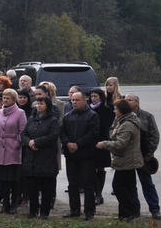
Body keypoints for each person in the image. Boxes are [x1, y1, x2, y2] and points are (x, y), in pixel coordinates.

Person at [99, 98, 143, 221]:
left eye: (116, 109)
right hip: (125, 160)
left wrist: (104, 144)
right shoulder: (123, 120)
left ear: (122, 110)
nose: (114, 111)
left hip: (126, 160)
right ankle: (124, 214)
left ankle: (130, 212)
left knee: (118, 186)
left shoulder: (127, 124)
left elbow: (120, 144)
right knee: (127, 187)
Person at [20, 92, 61, 219]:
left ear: (47, 105)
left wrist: (36, 142)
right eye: (37, 103)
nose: (38, 105)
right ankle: (33, 211)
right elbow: (24, 133)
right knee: (32, 186)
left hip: (46, 158)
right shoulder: (32, 118)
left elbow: (53, 136)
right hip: (31, 157)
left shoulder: (53, 120)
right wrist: (29, 142)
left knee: (46, 187)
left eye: (41, 103)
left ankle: (44, 212)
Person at [61, 90, 99, 219]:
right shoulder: (67, 116)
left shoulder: (92, 115)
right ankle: (74, 210)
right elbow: (62, 132)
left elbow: (93, 133)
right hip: (70, 155)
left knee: (88, 184)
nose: (74, 102)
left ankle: (89, 212)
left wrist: (77, 144)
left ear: (84, 101)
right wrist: (67, 143)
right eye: (73, 100)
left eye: (77, 100)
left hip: (86, 155)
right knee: (72, 184)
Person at [0, 89, 26, 214]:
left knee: (13, 179)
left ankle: (14, 203)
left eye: (8, 98)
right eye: (4, 98)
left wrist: (17, 144)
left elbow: (23, 131)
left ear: (14, 99)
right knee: (2, 179)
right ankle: (5, 203)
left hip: (12, 149)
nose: (5, 100)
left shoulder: (20, 113)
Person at [126, 94, 161, 220]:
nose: (127, 102)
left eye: (130, 100)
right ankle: (134, 210)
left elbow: (154, 136)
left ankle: (155, 210)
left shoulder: (147, 116)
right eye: (125, 100)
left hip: (143, 157)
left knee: (147, 183)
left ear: (137, 103)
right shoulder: (121, 116)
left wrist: (149, 153)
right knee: (130, 185)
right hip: (128, 157)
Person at [89, 88, 113, 205]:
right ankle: (95, 192)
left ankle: (99, 194)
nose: (93, 99)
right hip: (89, 142)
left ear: (100, 97)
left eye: (96, 96)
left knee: (100, 167)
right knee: (91, 167)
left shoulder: (106, 109)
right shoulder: (87, 109)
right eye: (92, 96)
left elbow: (106, 125)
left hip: (101, 140)